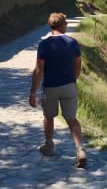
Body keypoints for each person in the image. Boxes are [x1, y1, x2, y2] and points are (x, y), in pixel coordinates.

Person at [29, 12, 87, 168]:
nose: (67, 26)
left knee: (48, 117)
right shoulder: (73, 43)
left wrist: (33, 92)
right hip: (69, 86)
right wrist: (72, 80)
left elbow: (39, 70)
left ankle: (49, 146)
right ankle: (79, 149)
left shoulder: (44, 44)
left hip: (50, 87)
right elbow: (78, 66)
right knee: (72, 119)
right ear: (62, 25)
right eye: (66, 24)